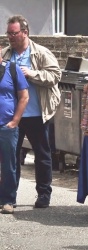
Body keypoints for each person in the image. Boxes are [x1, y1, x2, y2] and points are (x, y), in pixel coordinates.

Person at [1, 15, 60, 210]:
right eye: (8, 33)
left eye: (14, 33)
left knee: (42, 154)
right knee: (12, 157)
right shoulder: (6, 54)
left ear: (25, 33)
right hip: (14, 117)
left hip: (37, 112)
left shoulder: (40, 53)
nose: (10, 37)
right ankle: (10, 197)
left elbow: (55, 75)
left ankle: (44, 194)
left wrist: (32, 73)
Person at [0, 56, 28, 214]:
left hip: (6, 125)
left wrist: (15, 121)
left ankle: (8, 200)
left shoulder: (12, 69)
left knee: (8, 165)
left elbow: (24, 96)